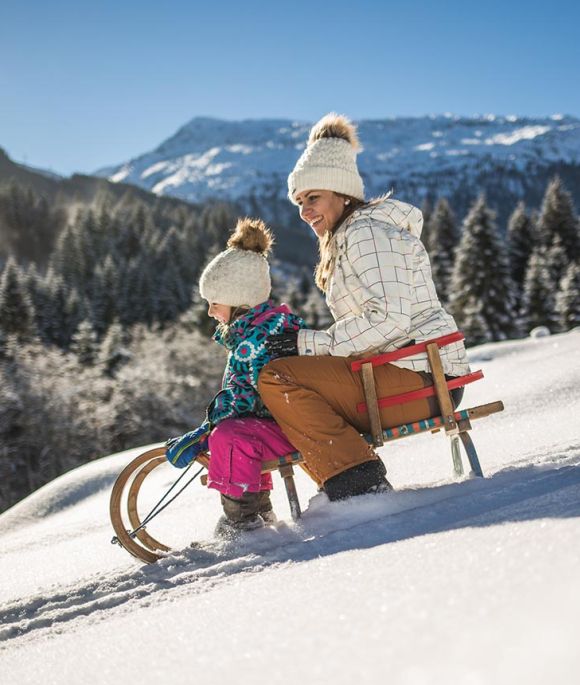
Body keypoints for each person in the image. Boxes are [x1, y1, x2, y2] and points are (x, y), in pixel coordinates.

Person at [258, 113, 470, 502]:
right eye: (300, 202)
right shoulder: (349, 237)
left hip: (423, 376)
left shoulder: (366, 233)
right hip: (405, 369)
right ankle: (347, 478)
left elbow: (389, 319)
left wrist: (308, 345)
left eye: (313, 198)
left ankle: (358, 484)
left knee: (278, 378)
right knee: (282, 381)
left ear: (342, 193)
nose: (305, 211)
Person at [165, 218, 304, 537]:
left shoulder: (257, 340)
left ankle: (242, 521)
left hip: (291, 426)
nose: (211, 312)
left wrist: (208, 429)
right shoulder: (264, 329)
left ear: (240, 302)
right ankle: (260, 509)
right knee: (237, 432)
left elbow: (246, 399)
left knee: (230, 437)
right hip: (286, 423)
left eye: (214, 303)